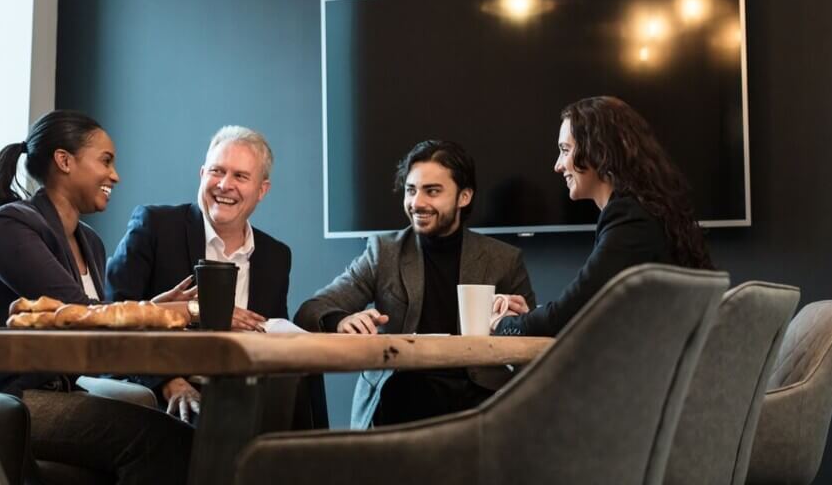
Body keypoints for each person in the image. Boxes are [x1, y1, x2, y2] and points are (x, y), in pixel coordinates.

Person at [0, 109, 192, 484]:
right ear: (64, 161)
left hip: (55, 391)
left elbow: (93, 322)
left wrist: (152, 310)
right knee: (165, 442)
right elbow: (76, 312)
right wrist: (164, 312)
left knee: (177, 438)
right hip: (7, 396)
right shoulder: (10, 226)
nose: (115, 175)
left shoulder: (92, 243)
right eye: (106, 161)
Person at [295, 140, 535, 428]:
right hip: (403, 393)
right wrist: (341, 321)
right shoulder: (384, 251)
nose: (417, 203)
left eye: (432, 191)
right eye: (411, 190)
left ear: (464, 196)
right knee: (407, 392)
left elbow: (532, 348)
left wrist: (515, 322)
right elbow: (311, 310)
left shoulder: (503, 259)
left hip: (478, 396)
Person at [106, 125, 290, 422]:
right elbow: (111, 320)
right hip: (166, 392)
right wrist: (170, 383)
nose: (224, 184)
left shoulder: (276, 256)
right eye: (217, 171)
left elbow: (273, 334)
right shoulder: (155, 226)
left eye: (240, 176)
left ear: (262, 190)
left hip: (248, 393)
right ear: (202, 174)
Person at [493, 96, 715, 337]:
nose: (558, 166)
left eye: (565, 150)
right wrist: (530, 318)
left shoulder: (629, 218)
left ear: (599, 151)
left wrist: (501, 324)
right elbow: (581, 312)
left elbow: (567, 318)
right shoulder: (648, 212)